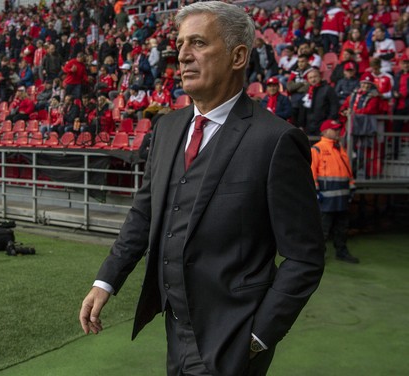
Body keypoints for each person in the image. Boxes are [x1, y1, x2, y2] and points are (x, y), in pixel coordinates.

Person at [79, 2, 325, 376]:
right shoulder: (166, 129)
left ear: (238, 55)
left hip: (235, 335)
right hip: (175, 326)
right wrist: (106, 280)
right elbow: (144, 215)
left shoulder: (275, 141)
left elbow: (305, 258)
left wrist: (259, 336)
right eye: (180, 45)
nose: (182, 55)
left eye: (198, 43)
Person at [311, 119, 360, 264]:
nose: (338, 132)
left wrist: (351, 188)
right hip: (326, 198)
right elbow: (311, 173)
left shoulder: (340, 149)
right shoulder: (317, 149)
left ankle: (342, 252)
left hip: (341, 198)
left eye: (339, 129)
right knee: (323, 229)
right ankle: (316, 256)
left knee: (342, 228)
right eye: (335, 129)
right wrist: (316, 192)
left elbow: (348, 172)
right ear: (325, 131)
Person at [298, 68, 339, 135]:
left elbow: (334, 106)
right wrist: (301, 125)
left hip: (323, 126)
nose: (313, 79)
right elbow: (303, 110)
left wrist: (328, 122)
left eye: (315, 77)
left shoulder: (328, 89)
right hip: (309, 127)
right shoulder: (307, 92)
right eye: (310, 78)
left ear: (320, 77)